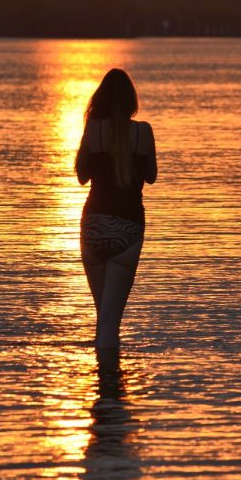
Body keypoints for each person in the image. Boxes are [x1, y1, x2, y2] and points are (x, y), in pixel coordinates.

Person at [75, 68, 157, 349]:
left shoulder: (93, 130)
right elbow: (152, 176)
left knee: (103, 318)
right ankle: (111, 388)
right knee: (111, 320)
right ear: (131, 100)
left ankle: (103, 386)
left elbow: (81, 175)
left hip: (94, 226)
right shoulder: (143, 132)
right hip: (128, 228)